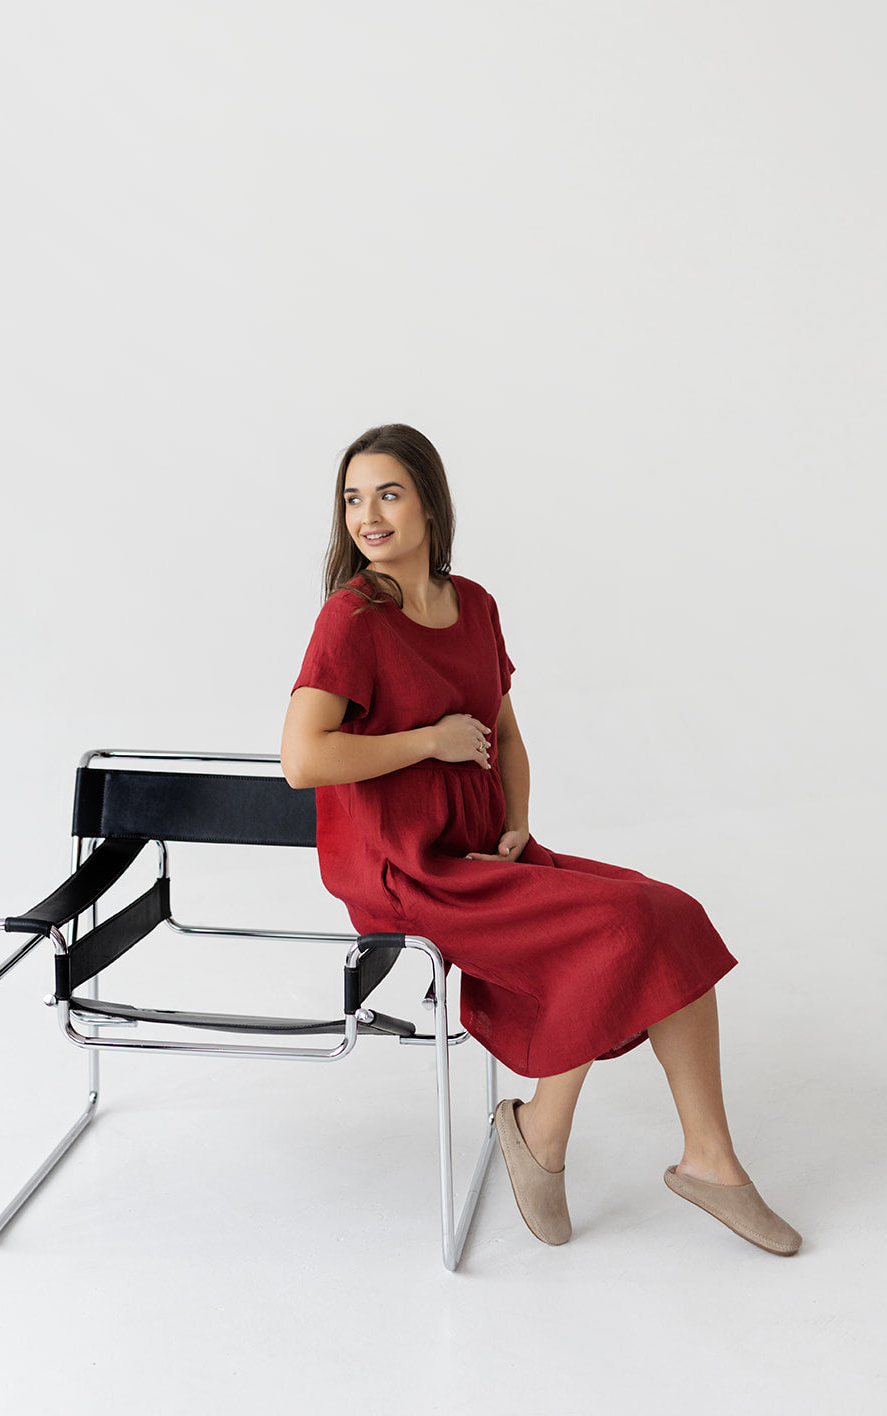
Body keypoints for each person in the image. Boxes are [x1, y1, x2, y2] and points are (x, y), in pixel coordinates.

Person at [281, 423, 802, 1256]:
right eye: (352, 498)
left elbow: (505, 736)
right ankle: (540, 1133)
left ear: (428, 502)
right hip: (404, 870)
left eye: (387, 493)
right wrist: (427, 742)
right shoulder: (351, 620)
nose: (367, 515)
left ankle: (707, 1161)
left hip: (485, 851)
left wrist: (516, 826)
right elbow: (302, 760)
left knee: (672, 916)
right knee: (621, 929)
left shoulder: (474, 605)